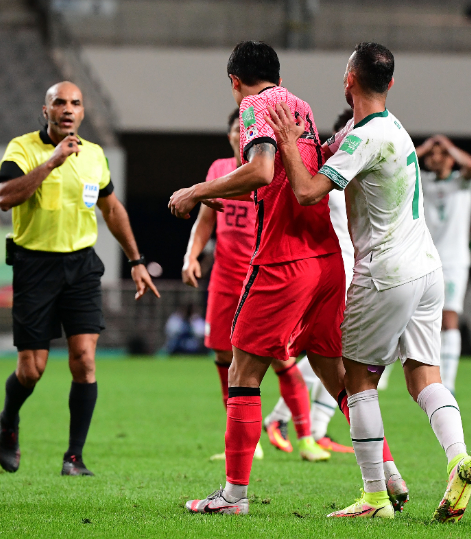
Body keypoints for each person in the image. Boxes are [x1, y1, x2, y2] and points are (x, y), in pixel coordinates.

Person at [265, 42, 471, 521]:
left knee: (358, 379)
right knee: (425, 376)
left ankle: (375, 497)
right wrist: (315, 144)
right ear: (391, 84)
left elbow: (305, 191)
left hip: (386, 272)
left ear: (349, 81)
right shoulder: (392, 129)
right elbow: (336, 152)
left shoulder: (366, 139)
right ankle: (459, 457)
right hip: (428, 269)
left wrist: (284, 143)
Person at [170, 41, 343, 515]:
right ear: (278, 73)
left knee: (243, 372)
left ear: (233, 81)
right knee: (339, 377)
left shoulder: (254, 104)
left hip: (281, 260)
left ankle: (232, 496)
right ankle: (385, 477)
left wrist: (195, 191)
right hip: (326, 256)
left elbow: (262, 171)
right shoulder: (300, 106)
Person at [0, 81, 159, 476]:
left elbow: (112, 209)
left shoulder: (94, 156)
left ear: (82, 112)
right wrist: (51, 161)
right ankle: (8, 420)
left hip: (81, 266)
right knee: (32, 369)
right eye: (59, 103)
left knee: (84, 360)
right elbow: (4, 197)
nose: (67, 109)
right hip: (34, 265)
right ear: (46, 109)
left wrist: (136, 259)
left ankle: (74, 457)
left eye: (75, 103)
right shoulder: (22, 149)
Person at [182, 109, 316, 462]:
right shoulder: (218, 171)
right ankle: (247, 443)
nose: (239, 134)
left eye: (244, 128)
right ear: (230, 137)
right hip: (226, 277)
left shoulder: (270, 170)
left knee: (280, 360)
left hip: (263, 275)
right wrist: (191, 256)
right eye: (235, 130)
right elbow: (205, 219)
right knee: (224, 357)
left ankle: (307, 437)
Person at [262, 109, 355, 455]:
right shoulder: (329, 167)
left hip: (350, 269)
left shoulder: (358, 163)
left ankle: (313, 428)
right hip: (336, 268)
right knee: (332, 355)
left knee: (339, 356)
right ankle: (285, 419)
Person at [418, 135, 471, 394]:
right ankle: (387, 372)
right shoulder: (423, 181)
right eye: (433, 155)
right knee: (415, 317)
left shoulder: (461, 183)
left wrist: (447, 145)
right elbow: (403, 161)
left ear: (452, 158)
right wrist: (427, 146)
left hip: (454, 261)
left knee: (449, 318)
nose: (436, 157)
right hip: (425, 258)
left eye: (442, 154)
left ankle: (449, 382)